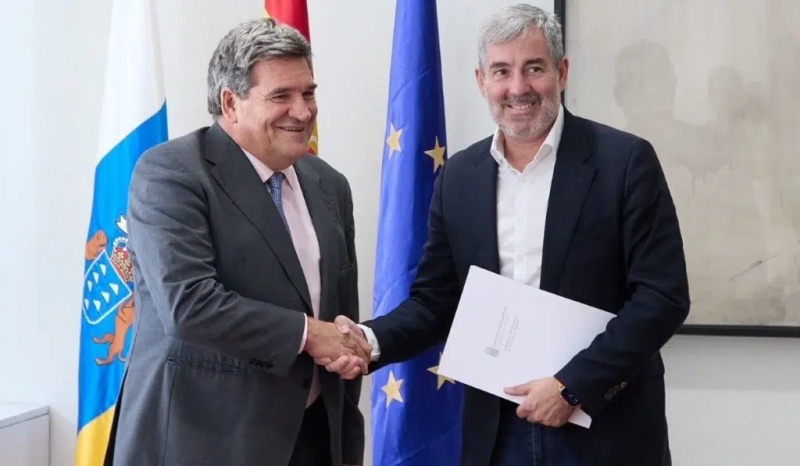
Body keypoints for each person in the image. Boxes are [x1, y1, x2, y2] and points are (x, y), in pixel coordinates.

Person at [326, 4, 689, 466]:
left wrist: (572, 387)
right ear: (482, 81)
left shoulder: (625, 162)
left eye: (533, 68)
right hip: (499, 431)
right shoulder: (459, 177)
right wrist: (369, 338)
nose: (518, 88)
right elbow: (436, 300)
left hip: (604, 428)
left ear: (561, 72)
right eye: (501, 71)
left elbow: (663, 296)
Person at [105, 18, 370, 466]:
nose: (303, 111)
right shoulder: (171, 173)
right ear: (230, 103)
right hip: (205, 442)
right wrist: (309, 335)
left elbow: (337, 312)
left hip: (312, 441)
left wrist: (346, 347)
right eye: (281, 96)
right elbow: (188, 304)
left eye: (308, 93)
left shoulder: (329, 184)